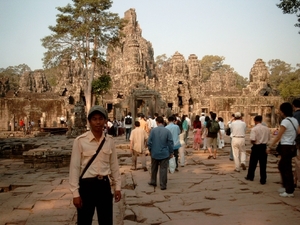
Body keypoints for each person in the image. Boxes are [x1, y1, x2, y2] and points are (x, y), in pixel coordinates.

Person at [69, 105, 121, 225]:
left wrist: (118, 187)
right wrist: (75, 193)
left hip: (104, 185)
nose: (98, 122)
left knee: (106, 221)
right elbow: (74, 168)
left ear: (105, 121)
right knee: (84, 221)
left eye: (100, 118)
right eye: (94, 119)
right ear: (89, 121)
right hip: (86, 186)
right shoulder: (80, 141)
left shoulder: (110, 141)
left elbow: (114, 166)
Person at [268, 102, 299, 197]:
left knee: (286, 168)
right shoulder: (294, 120)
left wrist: (270, 145)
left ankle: (289, 190)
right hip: (292, 145)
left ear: (283, 111)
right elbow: (298, 131)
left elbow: (279, 136)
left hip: (286, 146)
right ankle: (286, 186)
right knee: (282, 165)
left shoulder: (285, 121)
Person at [147, 116, 174, 190]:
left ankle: (153, 181)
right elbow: (170, 143)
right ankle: (163, 185)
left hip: (155, 152)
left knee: (154, 168)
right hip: (164, 153)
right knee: (163, 169)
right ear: (163, 122)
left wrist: (150, 150)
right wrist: (171, 152)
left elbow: (149, 142)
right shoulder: (167, 131)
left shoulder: (153, 131)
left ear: (157, 122)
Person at [245, 115, 270, 184]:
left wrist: (252, 142)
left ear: (255, 121)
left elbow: (253, 139)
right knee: (263, 164)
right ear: (261, 120)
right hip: (263, 146)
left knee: (253, 163)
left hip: (256, 146)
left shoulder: (254, 129)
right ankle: (263, 179)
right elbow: (268, 138)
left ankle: (250, 176)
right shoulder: (266, 128)